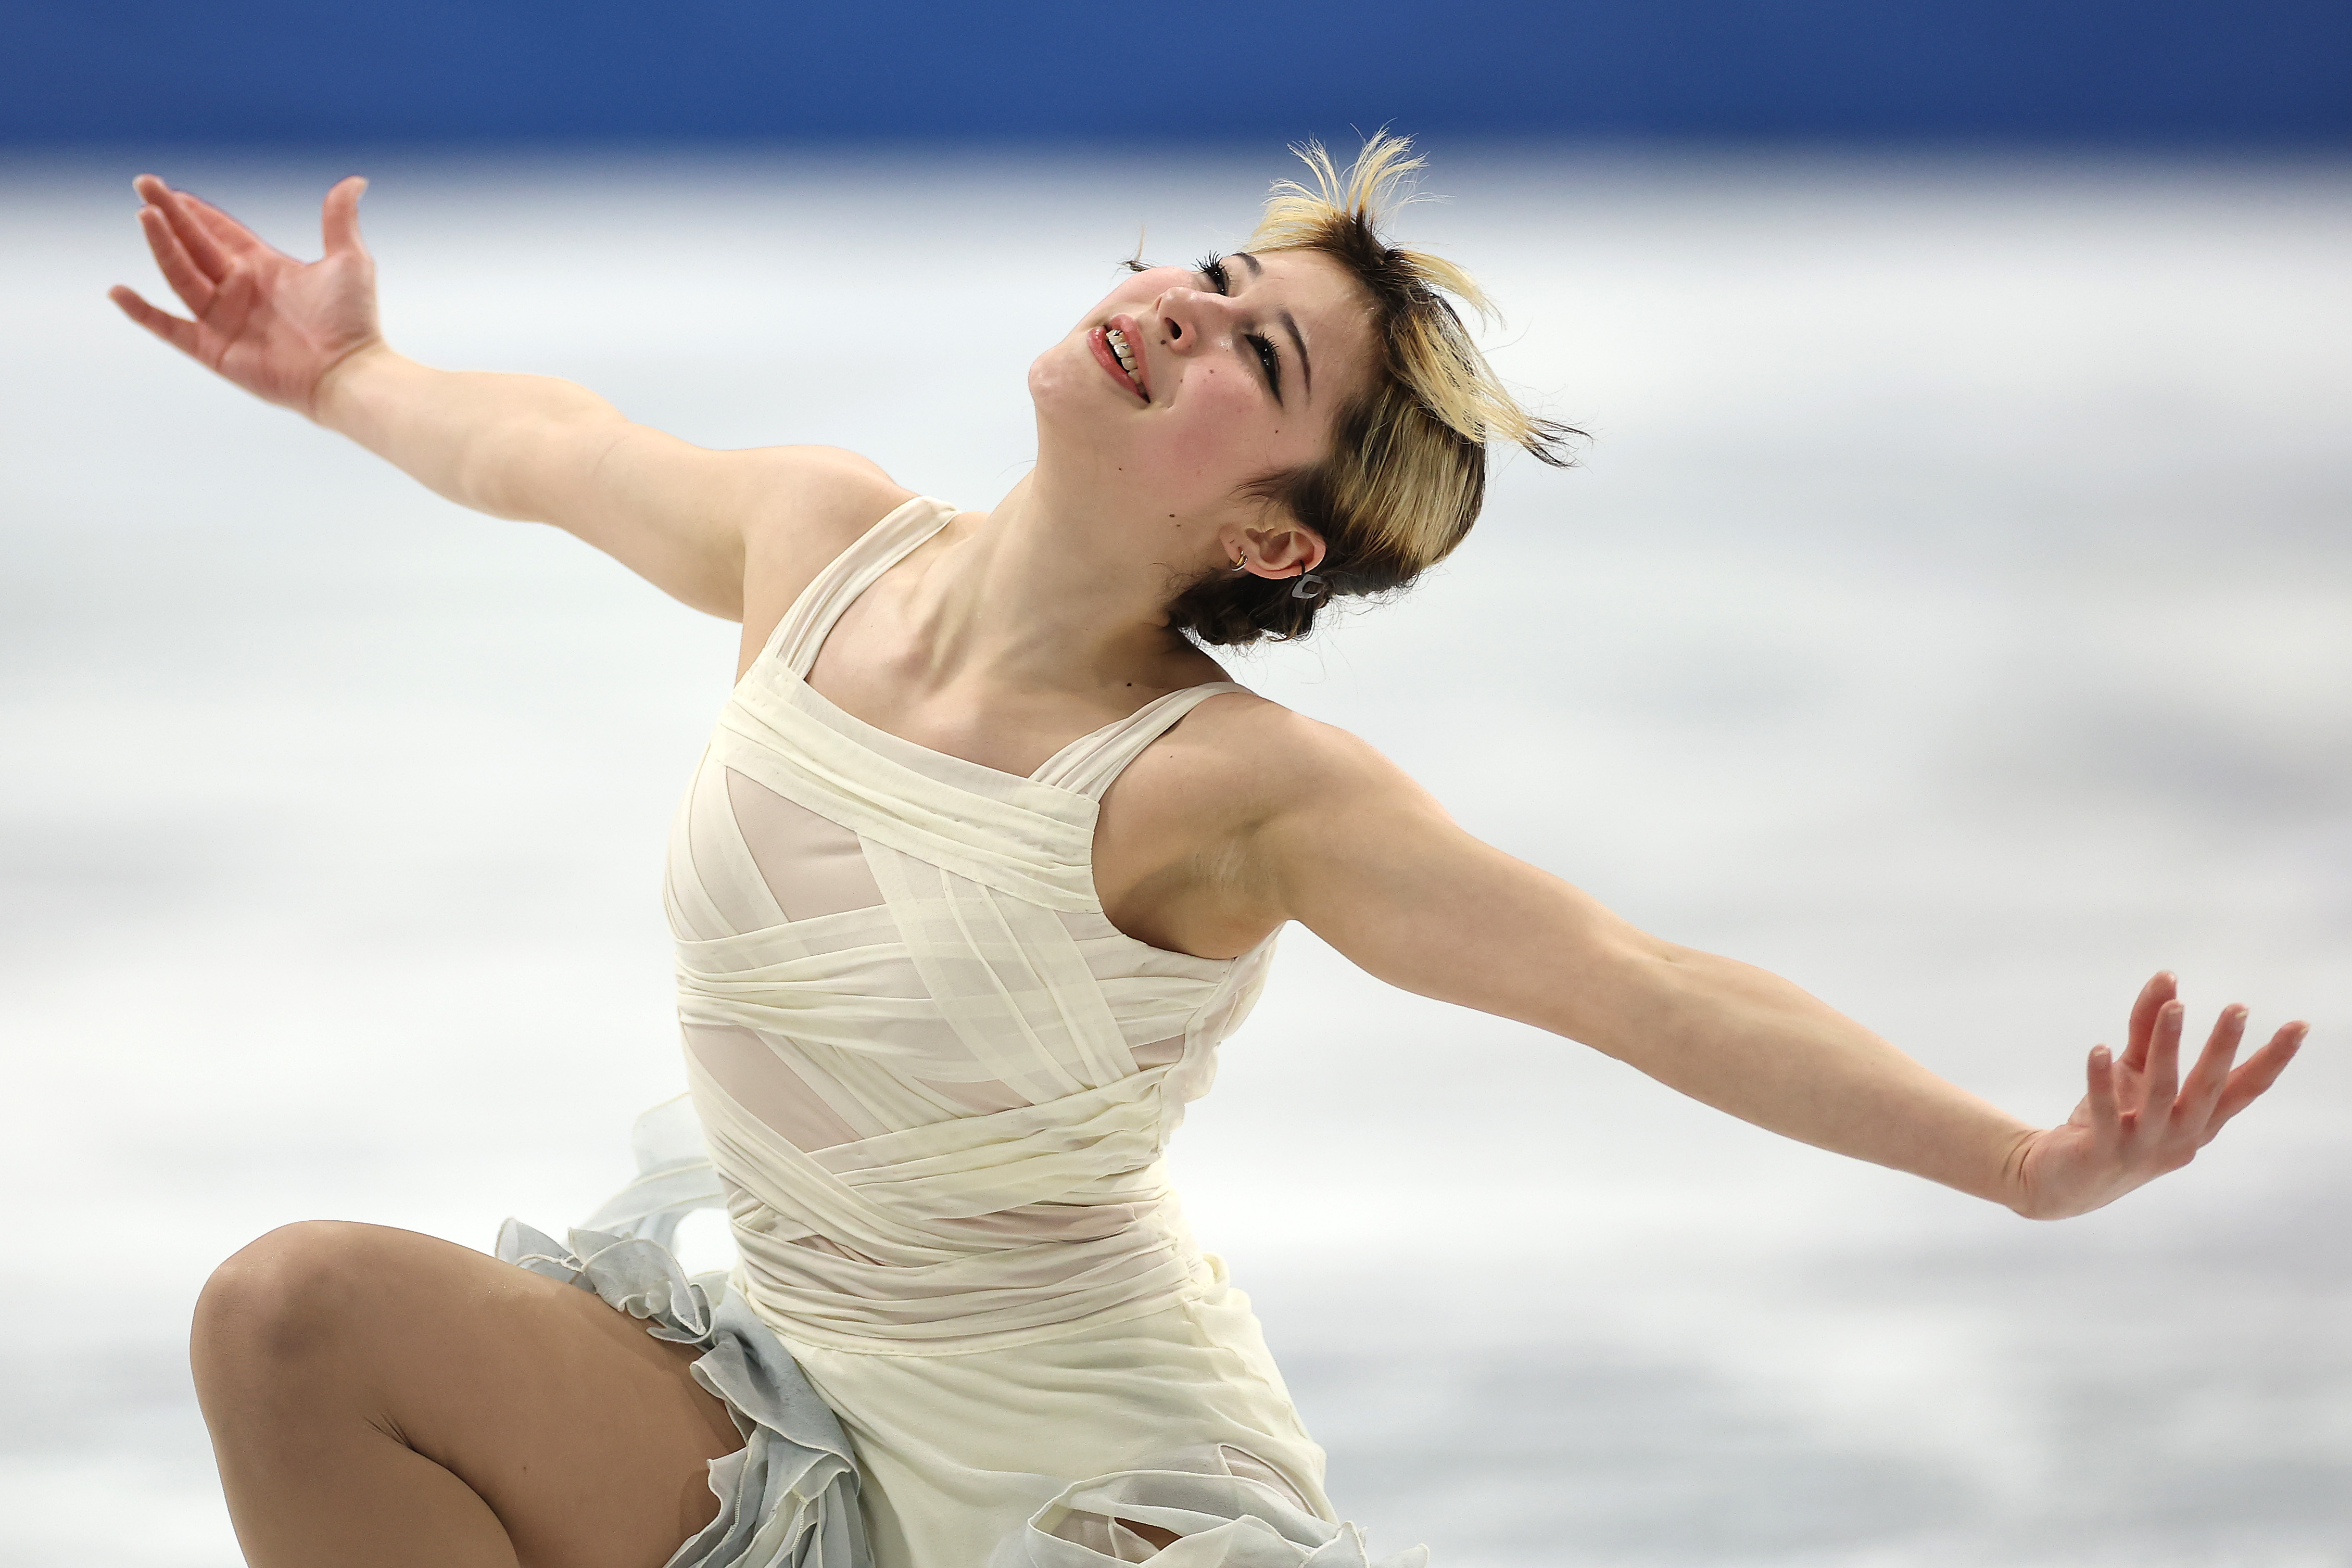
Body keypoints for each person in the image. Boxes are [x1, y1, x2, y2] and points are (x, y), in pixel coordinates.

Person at [110, 137, 2306, 1568]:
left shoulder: (1226, 791)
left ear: (1269, 533)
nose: (1172, 300)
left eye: (1249, 348)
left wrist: (2019, 1167)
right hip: (787, 1417)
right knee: (298, 1321)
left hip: (1095, 1498)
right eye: (1208, 270)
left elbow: (1634, 983)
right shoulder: (811, 540)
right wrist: (346, 379)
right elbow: (548, 449)